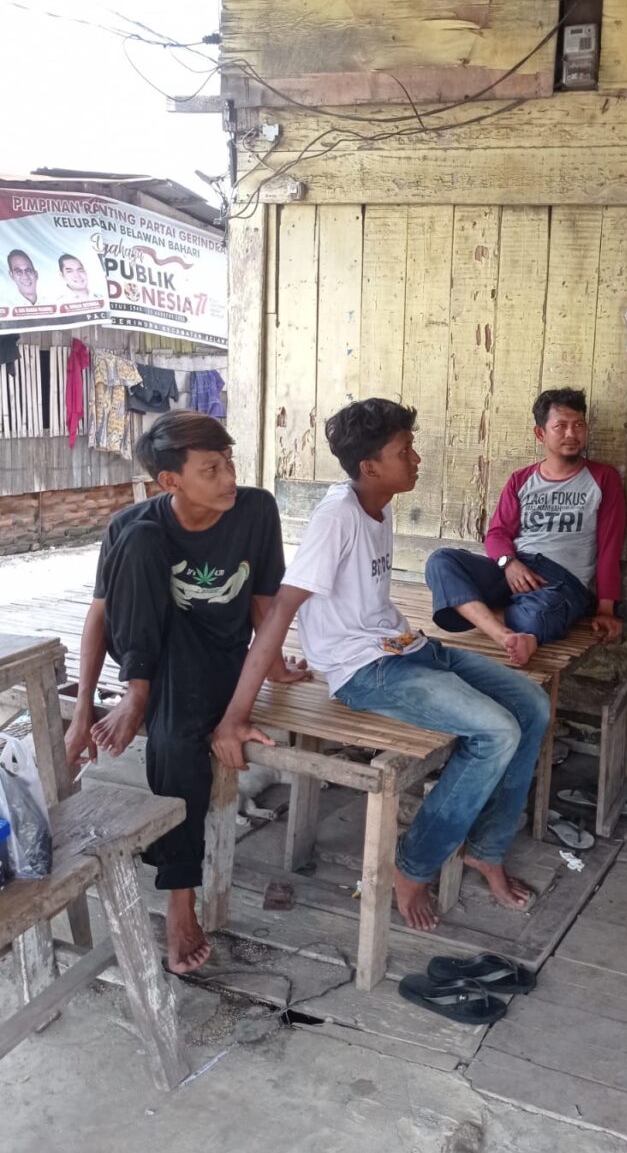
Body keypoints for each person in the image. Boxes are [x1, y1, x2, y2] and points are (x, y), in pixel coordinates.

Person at [211, 398, 551, 933]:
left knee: (532, 704)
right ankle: (412, 866)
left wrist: (281, 667)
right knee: (496, 731)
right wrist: (236, 715)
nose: (416, 459)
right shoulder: (336, 518)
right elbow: (281, 608)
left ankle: (486, 849)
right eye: (404, 451)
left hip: (405, 647)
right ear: (370, 467)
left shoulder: (379, 502)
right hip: (364, 671)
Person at [65, 412, 307, 975]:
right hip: (145, 651)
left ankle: (180, 898)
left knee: (174, 743)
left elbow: (263, 601)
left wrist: (272, 667)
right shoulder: (131, 525)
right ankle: (138, 695)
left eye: (229, 463)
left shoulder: (255, 511)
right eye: (211, 470)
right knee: (139, 539)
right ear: (170, 481)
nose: (230, 478)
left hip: (214, 656)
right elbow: (99, 616)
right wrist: (81, 711)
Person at [424, 387, 627, 667]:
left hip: (560, 582)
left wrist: (605, 609)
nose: (572, 433)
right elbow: (497, 534)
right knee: (442, 560)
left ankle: (478, 613)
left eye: (579, 425)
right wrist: (509, 563)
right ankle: (503, 632)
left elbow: (610, 546)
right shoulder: (521, 480)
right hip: (513, 568)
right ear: (540, 434)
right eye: (561, 426)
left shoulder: (603, 478)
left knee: (541, 614)